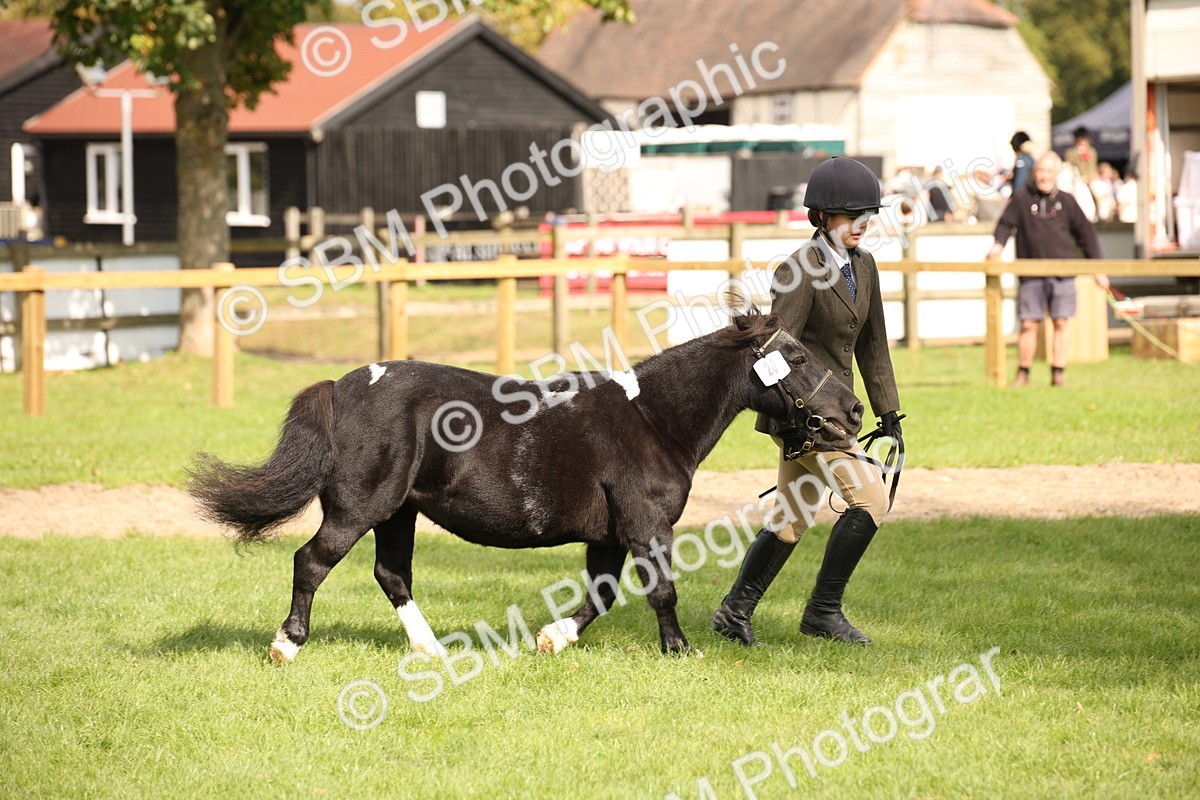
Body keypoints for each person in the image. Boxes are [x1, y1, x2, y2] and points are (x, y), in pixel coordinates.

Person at [711, 157, 903, 647]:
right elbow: (774, 351)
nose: (862, 224)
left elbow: (873, 345)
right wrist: (790, 422)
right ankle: (823, 612)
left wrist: (888, 411)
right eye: (851, 216)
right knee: (872, 499)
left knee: (790, 517)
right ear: (821, 217)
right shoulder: (798, 271)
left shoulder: (865, 266)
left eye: (866, 215)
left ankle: (733, 613)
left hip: (839, 413)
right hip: (808, 418)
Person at [986, 151, 1110, 387]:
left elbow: (1086, 235)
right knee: (1028, 324)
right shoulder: (1021, 198)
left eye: (1049, 172)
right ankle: (1023, 372)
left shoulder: (1067, 201)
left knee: (1061, 322)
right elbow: (1005, 224)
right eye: (1041, 171)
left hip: (1062, 274)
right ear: (1035, 173)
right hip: (1031, 274)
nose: (1044, 176)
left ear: (1056, 174)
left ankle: (1058, 372)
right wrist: (997, 245)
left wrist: (1098, 269)